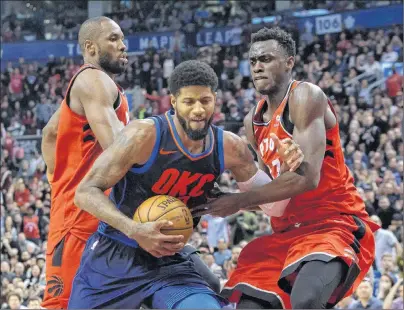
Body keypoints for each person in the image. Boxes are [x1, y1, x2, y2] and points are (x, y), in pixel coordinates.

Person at [67, 60, 304, 309]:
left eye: (205, 100)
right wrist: (134, 229)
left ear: (215, 99)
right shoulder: (142, 136)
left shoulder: (230, 147)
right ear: (173, 102)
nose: (198, 110)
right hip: (115, 254)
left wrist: (286, 172)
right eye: (189, 102)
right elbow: (85, 192)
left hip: (170, 261)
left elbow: (276, 207)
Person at [192, 27, 380, 309]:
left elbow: (306, 179)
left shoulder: (305, 97)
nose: (257, 67)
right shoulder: (252, 122)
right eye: (254, 61)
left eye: (266, 59)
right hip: (286, 234)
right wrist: (223, 200)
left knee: (305, 300)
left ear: (289, 62)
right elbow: (273, 199)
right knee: (248, 306)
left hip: (332, 224)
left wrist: (238, 201)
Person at [41, 16, 130, 309]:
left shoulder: (90, 84)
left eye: (122, 38)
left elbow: (49, 132)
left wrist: (57, 179)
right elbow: (121, 150)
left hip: (93, 213)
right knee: (63, 304)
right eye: (114, 39)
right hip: (78, 220)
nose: (123, 45)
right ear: (91, 47)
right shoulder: (92, 79)